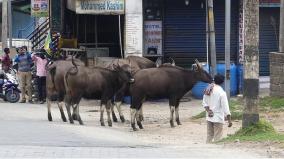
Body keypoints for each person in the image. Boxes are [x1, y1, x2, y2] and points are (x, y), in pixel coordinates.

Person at [202, 74, 232, 143]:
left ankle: (207, 149)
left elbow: (204, 102)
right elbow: (226, 108)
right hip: (218, 118)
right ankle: (216, 151)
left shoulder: (208, 89)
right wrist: (229, 120)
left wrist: (208, 111)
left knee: (209, 135)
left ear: (214, 80)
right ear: (222, 82)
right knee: (217, 137)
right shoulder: (222, 92)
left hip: (209, 116)